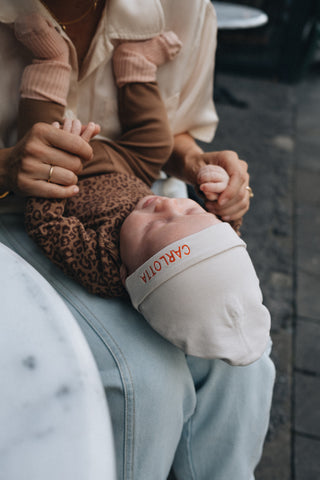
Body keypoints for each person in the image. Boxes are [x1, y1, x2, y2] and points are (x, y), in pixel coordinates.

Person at [0, 1, 275, 479]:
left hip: (136, 193)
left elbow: (177, 132)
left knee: (244, 364)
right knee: (143, 386)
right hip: (18, 210)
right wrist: (6, 167)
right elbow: (51, 225)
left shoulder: (183, 8)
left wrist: (199, 173)